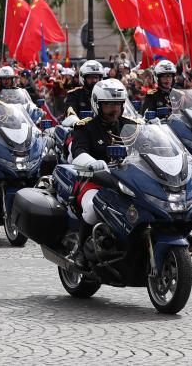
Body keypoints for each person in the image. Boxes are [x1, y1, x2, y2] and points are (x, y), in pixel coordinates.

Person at [67, 79, 139, 265]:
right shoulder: (86, 127)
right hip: (93, 180)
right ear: (97, 104)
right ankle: (81, 251)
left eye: (117, 104)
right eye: (108, 105)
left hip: (128, 181)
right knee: (92, 208)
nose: (114, 109)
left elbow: (149, 148)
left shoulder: (131, 126)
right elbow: (78, 152)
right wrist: (92, 163)